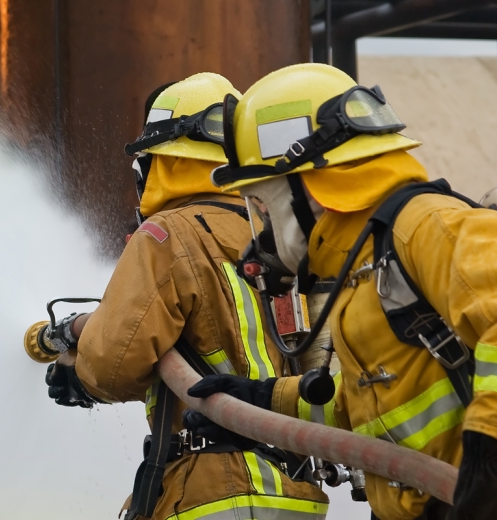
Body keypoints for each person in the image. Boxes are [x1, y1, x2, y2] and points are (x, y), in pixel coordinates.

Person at [183, 62, 497, 520]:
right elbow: (366, 411)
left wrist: (491, 458)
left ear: (307, 184)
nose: (266, 229)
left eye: (265, 204)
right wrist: (262, 404)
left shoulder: (427, 227)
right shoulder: (365, 270)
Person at [42, 72, 329, 519]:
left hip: (219, 491)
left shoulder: (167, 234)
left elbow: (113, 367)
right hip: (293, 486)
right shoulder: (282, 236)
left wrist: (79, 373)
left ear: (162, 160)